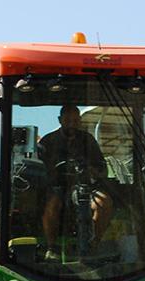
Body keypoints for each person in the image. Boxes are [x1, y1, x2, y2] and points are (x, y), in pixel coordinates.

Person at [38, 105, 113, 259]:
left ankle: (93, 245)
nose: (71, 124)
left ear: (79, 121)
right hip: (57, 187)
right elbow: (40, 170)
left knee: (104, 203)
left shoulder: (89, 140)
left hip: (85, 187)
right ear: (60, 120)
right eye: (67, 120)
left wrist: (91, 170)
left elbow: (101, 168)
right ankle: (52, 248)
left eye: (75, 120)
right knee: (52, 205)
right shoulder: (48, 141)